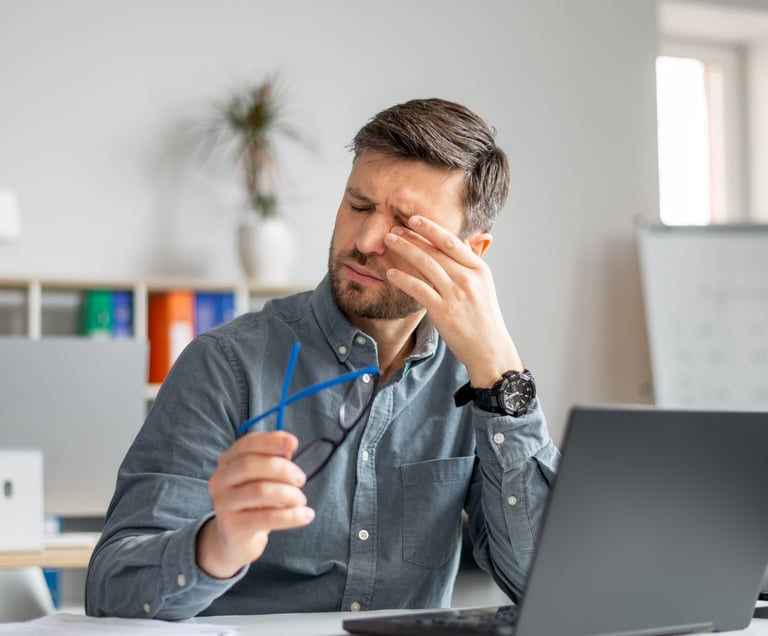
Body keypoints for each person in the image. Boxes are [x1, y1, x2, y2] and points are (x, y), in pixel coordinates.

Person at [85, 97, 560, 620]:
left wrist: (501, 373)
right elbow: (111, 590)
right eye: (358, 205)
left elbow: (551, 588)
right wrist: (217, 545)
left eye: (406, 225)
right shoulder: (224, 365)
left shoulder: (475, 384)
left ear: (472, 254)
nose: (365, 241)